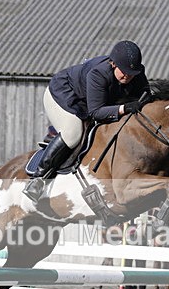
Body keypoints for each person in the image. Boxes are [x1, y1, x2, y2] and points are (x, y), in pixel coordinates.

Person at [23, 40, 151, 203]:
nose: (128, 76)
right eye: (124, 71)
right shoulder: (98, 73)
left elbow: (146, 95)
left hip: (92, 101)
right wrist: (124, 108)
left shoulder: (135, 73)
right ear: (113, 64)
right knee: (73, 134)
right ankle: (38, 178)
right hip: (64, 95)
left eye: (132, 72)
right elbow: (96, 112)